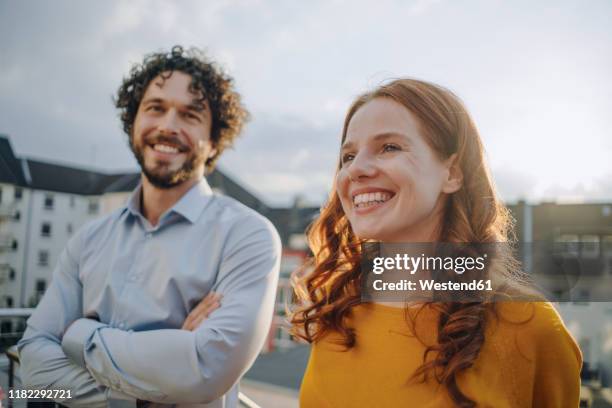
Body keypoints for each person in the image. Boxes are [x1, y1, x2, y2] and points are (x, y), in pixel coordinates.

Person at [291, 78, 582, 407]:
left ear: (452, 173)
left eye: (389, 147)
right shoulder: (336, 312)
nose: (355, 170)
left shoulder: (528, 325)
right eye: (348, 156)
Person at [18, 46, 281, 408]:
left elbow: (205, 371)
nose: (168, 126)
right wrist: (160, 385)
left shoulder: (248, 235)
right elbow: (34, 369)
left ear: (215, 138)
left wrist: (80, 336)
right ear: (134, 120)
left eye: (190, 115)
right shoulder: (88, 240)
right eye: (155, 108)